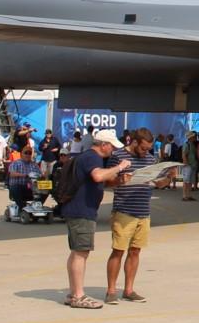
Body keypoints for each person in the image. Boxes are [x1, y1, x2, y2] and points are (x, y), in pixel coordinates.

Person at [61, 128, 131, 309]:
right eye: (112, 147)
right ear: (104, 145)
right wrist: (120, 167)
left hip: (79, 209)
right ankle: (78, 295)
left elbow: (98, 180)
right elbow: (98, 175)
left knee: (77, 251)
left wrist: (117, 180)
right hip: (82, 210)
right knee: (81, 252)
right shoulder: (93, 157)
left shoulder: (87, 157)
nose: (113, 151)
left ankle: (73, 293)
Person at [106, 127, 167, 304]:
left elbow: (159, 183)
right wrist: (119, 180)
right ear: (134, 142)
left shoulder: (149, 158)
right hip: (124, 211)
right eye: (143, 148)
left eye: (149, 148)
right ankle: (111, 290)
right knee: (118, 251)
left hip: (143, 211)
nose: (146, 151)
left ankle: (129, 289)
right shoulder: (118, 156)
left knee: (135, 251)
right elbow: (107, 181)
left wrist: (168, 177)